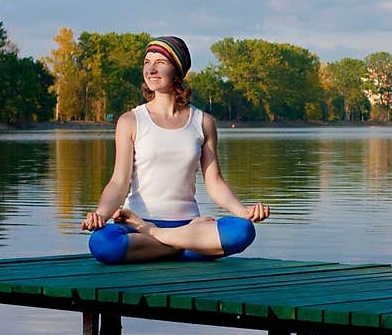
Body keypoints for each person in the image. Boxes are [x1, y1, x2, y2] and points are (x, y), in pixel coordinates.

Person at [80, 36, 270, 264]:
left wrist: (243, 212)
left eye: (160, 62)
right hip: (138, 225)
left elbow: (215, 182)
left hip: (184, 226)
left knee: (243, 230)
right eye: (147, 62)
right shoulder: (130, 121)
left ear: (177, 70)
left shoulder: (203, 122)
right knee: (102, 244)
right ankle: (187, 247)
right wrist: (101, 214)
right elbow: (118, 182)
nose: (151, 69)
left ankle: (158, 238)